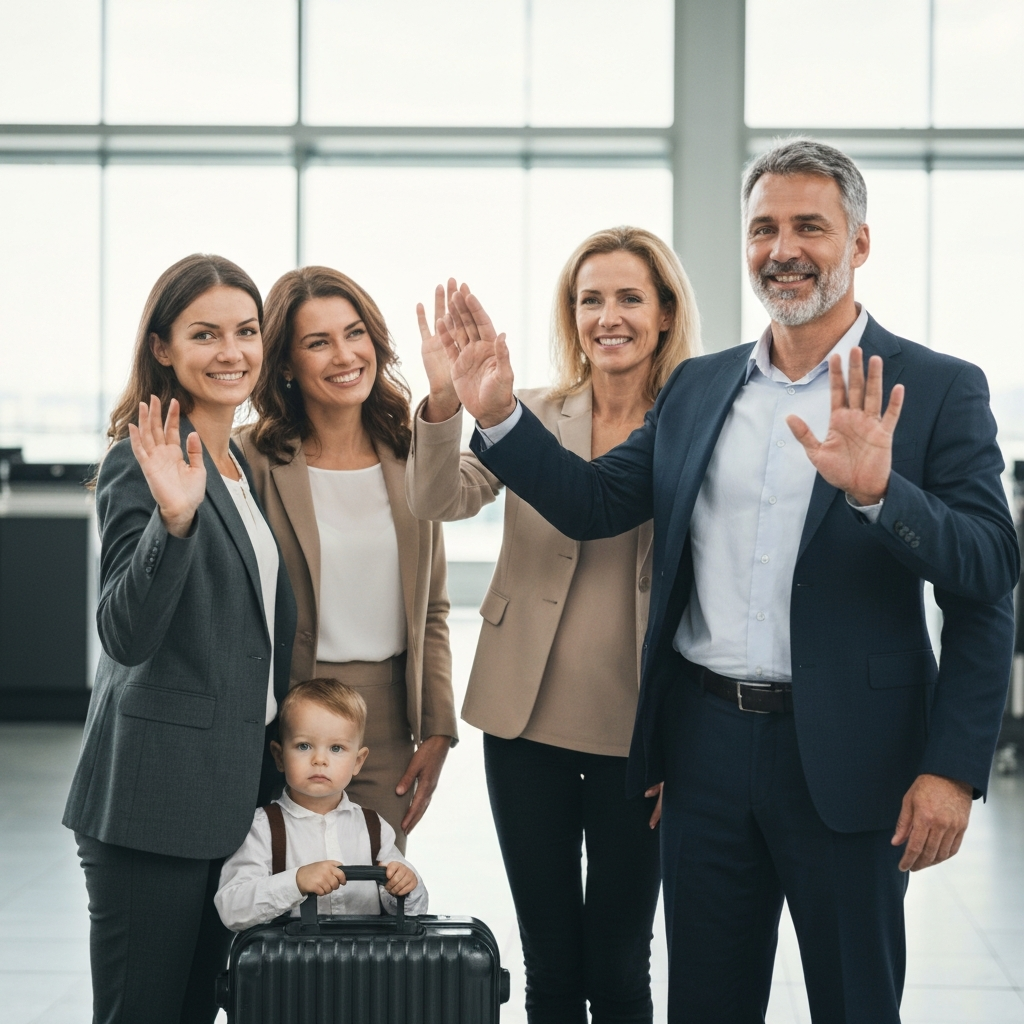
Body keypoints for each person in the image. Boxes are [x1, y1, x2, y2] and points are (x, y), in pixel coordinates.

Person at [432, 140, 1020, 1023]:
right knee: (704, 1002)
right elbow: (593, 503)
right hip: (704, 753)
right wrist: (498, 417)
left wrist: (880, 497)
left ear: (858, 244)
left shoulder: (935, 388)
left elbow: (988, 574)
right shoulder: (701, 389)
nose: (783, 249)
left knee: (856, 1003)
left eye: (809, 227)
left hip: (854, 762)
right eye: (763, 229)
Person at [406, 227, 701, 1024]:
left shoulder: (689, 427)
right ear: (571, 316)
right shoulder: (528, 409)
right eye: (590, 299)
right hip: (524, 719)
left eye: (630, 298)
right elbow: (438, 501)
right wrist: (443, 404)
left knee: (619, 958)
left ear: (666, 314)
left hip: (636, 731)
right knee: (547, 958)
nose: (609, 316)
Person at [63, 254, 298, 1024]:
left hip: (230, 797)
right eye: (205, 334)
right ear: (163, 348)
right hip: (154, 799)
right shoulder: (146, 462)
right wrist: (174, 522)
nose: (232, 352)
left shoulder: (240, 463)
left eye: (245, 331)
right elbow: (125, 634)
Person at [236, 266, 456, 851]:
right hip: (286, 711)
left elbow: (431, 605)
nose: (344, 355)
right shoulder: (251, 459)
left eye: (354, 333)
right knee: (284, 897)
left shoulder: (411, 451)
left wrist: (438, 727)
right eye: (318, 342)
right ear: (284, 363)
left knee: (377, 904)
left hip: (382, 724)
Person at [215, 677, 427, 930]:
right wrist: (296, 881)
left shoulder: (373, 828)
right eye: (304, 746)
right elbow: (231, 908)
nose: (319, 760)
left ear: (358, 761)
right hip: (289, 966)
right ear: (279, 756)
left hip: (363, 964)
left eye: (336, 748)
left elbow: (413, 912)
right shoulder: (261, 828)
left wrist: (405, 885)